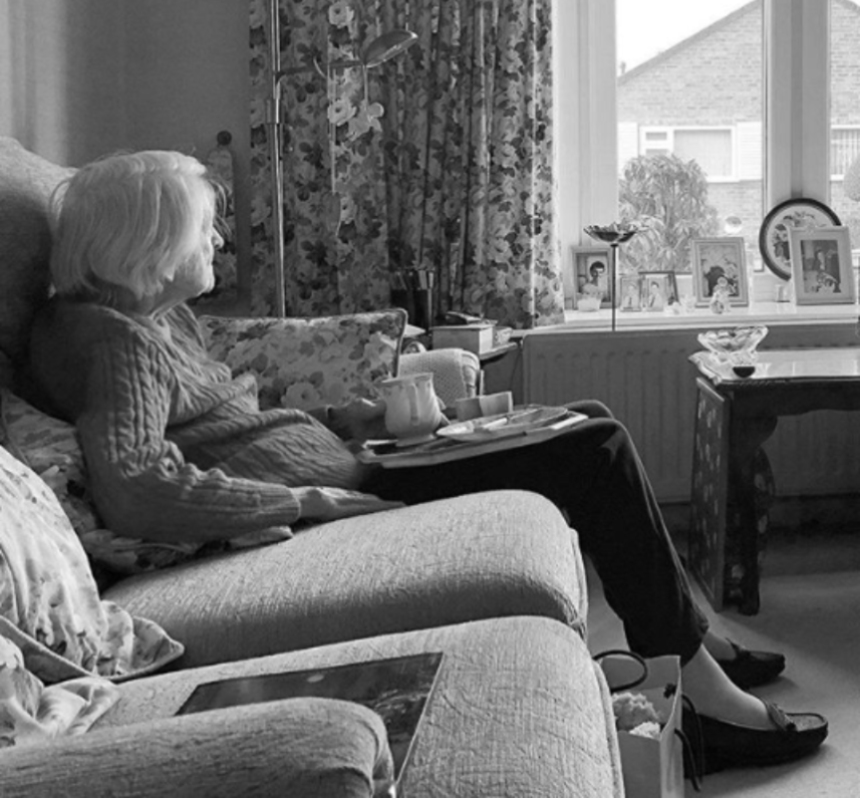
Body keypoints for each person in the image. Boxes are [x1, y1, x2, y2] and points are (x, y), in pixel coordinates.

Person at [29, 151, 827, 775]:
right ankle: (704, 694)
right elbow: (137, 484)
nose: (215, 241)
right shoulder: (111, 342)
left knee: (589, 417)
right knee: (597, 448)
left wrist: (355, 419)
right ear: (150, 241)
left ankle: (694, 635)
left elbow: (231, 425)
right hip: (354, 486)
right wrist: (303, 498)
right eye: (203, 228)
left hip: (359, 456)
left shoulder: (155, 322)